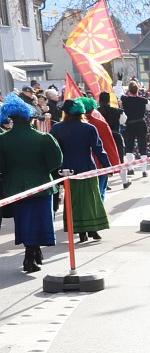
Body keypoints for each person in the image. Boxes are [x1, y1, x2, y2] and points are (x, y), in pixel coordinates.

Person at [0, 92, 63, 272]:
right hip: (41, 184)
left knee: (24, 221)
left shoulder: (3, 140)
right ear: (29, 119)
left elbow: (1, 166)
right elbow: (56, 162)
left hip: (15, 188)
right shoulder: (43, 138)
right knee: (41, 220)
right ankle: (32, 254)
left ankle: (31, 252)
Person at [51, 99, 110, 243]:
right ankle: (93, 229)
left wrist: (54, 169)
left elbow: (53, 149)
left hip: (67, 170)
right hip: (87, 167)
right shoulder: (89, 128)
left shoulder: (57, 128)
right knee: (91, 199)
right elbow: (98, 149)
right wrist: (107, 166)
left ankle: (79, 230)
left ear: (65, 113)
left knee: (73, 200)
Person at [121, 81, 150, 178]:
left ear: (128, 90)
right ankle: (144, 170)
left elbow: (118, 92)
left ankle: (131, 168)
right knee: (142, 147)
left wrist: (119, 82)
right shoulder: (143, 100)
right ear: (138, 90)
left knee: (129, 147)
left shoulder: (125, 99)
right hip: (140, 124)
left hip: (130, 124)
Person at [96, 92, 128, 188]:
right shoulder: (117, 111)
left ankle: (106, 183)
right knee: (120, 158)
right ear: (109, 100)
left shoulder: (96, 112)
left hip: (101, 137)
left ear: (99, 100)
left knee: (103, 159)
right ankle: (125, 181)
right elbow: (123, 121)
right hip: (115, 136)